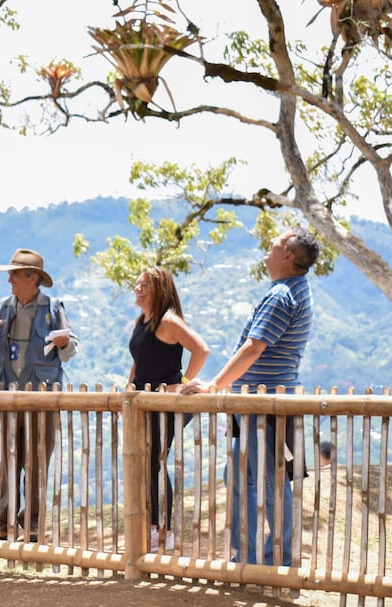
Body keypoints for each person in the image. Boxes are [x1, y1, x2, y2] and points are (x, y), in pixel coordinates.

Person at [182, 226, 321, 566]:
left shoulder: (280, 296)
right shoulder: (297, 290)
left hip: (263, 401)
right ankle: (249, 554)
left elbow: (254, 347)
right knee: (241, 477)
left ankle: (278, 561)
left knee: (268, 481)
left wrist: (214, 386)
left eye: (273, 246)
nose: (267, 251)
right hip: (262, 398)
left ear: (288, 256)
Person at [0, 248, 79, 542]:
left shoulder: (53, 307)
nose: (9, 280)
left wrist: (63, 341)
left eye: (15, 274)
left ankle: (32, 524)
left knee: (37, 461)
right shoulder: (0, 308)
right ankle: (3, 523)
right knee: (8, 461)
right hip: (6, 398)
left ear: (32, 278)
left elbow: (71, 349)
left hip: (42, 399)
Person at [128, 266, 210, 552]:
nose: (138, 289)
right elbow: (139, 360)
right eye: (137, 284)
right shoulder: (143, 320)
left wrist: (184, 383)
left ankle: (163, 530)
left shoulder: (168, 321)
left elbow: (201, 349)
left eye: (145, 285)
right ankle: (151, 525)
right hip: (143, 402)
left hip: (165, 403)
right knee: (144, 462)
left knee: (156, 461)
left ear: (159, 289)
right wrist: (129, 388)